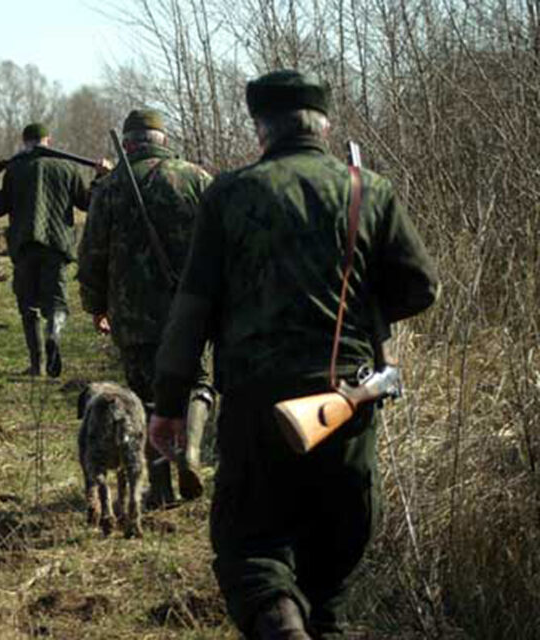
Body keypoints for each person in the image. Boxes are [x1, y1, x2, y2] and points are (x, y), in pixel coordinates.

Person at [149, 71, 439, 639]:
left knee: (250, 548)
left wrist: (168, 403)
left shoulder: (229, 194)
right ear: (324, 125)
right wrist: (363, 313)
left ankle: (282, 627)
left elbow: (191, 312)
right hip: (348, 400)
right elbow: (421, 287)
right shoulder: (368, 191)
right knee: (331, 567)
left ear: (260, 128)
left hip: (258, 406)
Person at [77, 108, 216, 508]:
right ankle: (189, 452)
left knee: (143, 398)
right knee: (199, 383)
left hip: (132, 314)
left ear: (127, 144)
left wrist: (96, 306)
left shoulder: (109, 187)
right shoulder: (196, 179)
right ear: (163, 139)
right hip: (190, 310)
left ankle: (161, 487)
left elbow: (92, 257)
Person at [0, 123, 103, 377]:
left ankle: (37, 366)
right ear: (48, 140)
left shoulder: (15, 169)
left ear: (24, 142)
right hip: (57, 246)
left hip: (24, 245)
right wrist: (100, 177)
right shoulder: (67, 167)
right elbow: (88, 203)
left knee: (28, 306)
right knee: (56, 303)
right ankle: (53, 332)